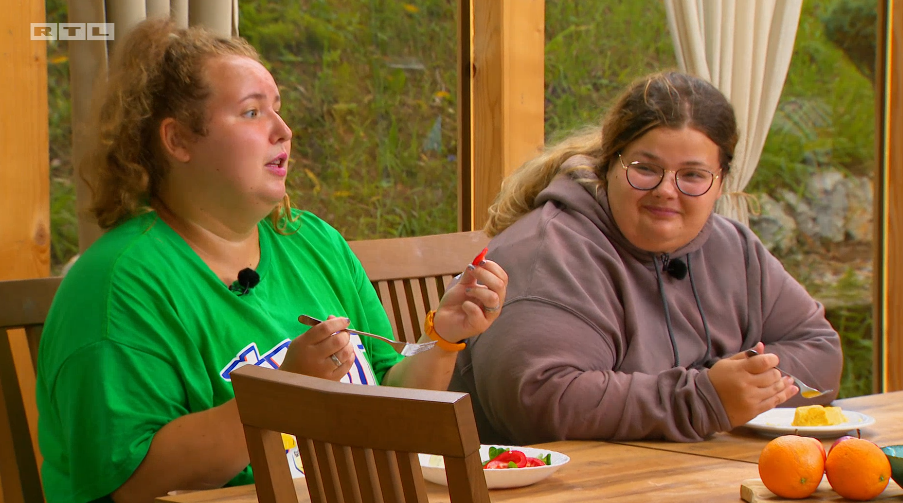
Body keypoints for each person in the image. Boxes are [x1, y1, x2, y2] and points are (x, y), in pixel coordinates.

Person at [36, 18, 507, 503]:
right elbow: (131, 481)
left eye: (277, 110)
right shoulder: (120, 284)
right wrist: (285, 394)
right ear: (177, 141)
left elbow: (392, 399)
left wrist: (444, 337)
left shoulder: (312, 240)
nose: (283, 131)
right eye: (251, 112)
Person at [448, 71, 842, 445]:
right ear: (609, 167)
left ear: (720, 182)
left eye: (692, 175)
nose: (666, 190)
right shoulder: (547, 252)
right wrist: (703, 398)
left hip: (683, 479)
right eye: (645, 169)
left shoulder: (734, 247)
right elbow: (539, 400)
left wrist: (733, 388)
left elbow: (820, 351)